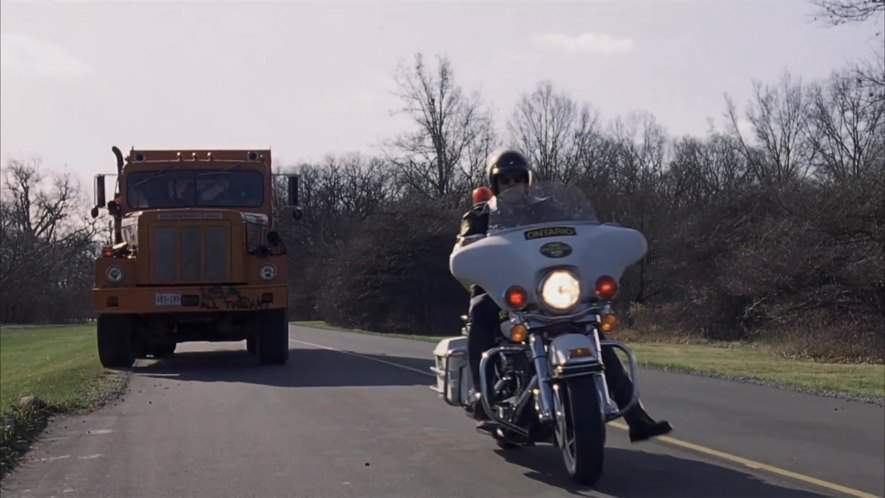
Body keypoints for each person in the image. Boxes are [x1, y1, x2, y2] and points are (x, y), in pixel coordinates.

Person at [457, 148, 673, 443]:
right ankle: (483, 395)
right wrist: (468, 244)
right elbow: (463, 251)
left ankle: (636, 416)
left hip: (552, 288)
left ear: (528, 180)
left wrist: (602, 237)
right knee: (480, 309)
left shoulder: (549, 208)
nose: (513, 185)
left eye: (518, 178)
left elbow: (579, 234)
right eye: (505, 180)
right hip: (503, 293)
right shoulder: (481, 214)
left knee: (592, 331)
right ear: (495, 184)